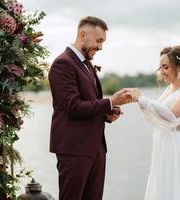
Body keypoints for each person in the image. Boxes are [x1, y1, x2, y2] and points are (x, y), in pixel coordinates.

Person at [48, 16, 132, 200]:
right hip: (74, 149)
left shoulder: (86, 64)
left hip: (96, 148)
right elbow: (72, 106)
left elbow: (88, 103)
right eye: (98, 40)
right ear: (82, 34)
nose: (101, 47)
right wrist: (110, 102)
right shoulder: (63, 64)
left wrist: (106, 114)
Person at [128, 45, 180, 200]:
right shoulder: (170, 89)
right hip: (163, 143)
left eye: (165, 67)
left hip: (175, 146)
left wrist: (142, 99)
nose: (161, 72)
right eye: (160, 67)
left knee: (175, 187)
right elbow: (156, 113)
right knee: (163, 187)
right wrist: (137, 100)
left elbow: (171, 117)